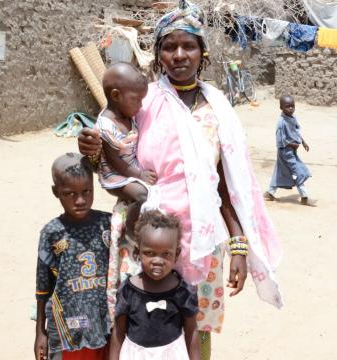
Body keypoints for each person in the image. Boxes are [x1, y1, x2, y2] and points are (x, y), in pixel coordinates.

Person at [79, 1, 283, 359]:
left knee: (194, 327)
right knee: (135, 325)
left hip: (200, 242)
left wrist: (238, 245)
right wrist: (91, 148)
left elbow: (225, 185)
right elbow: (112, 152)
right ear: (158, 54)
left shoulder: (217, 109)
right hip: (141, 241)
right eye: (169, 46)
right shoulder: (141, 102)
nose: (179, 54)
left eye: (188, 45)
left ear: (202, 52)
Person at [34, 153, 111, 360]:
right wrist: (40, 332)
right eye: (70, 193)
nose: (80, 200)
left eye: (87, 191)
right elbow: (43, 289)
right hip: (68, 328)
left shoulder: (108, 224)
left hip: (104, 325)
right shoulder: (52, 233)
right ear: (56, 192)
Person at [109, 210, 200, 360]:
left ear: (176, 254)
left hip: (172, 354)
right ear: (137, 253)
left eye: (166, 254)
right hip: (135, 355)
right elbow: (118, 332)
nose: (158, 260)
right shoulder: (128, 290)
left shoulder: (183, 291)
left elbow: (192, 331)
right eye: (150, 253)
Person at [96, 62, 157, 238]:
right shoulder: (106, 126)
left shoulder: (127, 114)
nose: (141, 106)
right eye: (136, 100)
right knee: (142, 195)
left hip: (129, 169)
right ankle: (130, 229)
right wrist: (138, 175)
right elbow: (115, 161)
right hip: (115, 176)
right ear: (116, 96)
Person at [264, 95, 311, 205]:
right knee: (297, 171)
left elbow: (296, 132)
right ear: (281, 107)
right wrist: (292, 145)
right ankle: (304, 196)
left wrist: (303, 142)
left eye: (293, 106)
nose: (291, 108)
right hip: (285, 151)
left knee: (280, 172)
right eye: (287, 106)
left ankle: (270, 192)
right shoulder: (281, 123)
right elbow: (280, 141)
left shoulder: (292, 118)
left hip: (292, 149)